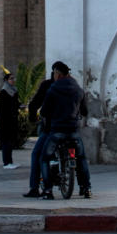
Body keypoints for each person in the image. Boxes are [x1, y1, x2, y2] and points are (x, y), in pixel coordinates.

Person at [39, 61, 91, 200]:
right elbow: (85, 111)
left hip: (57, 131)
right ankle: (86, 189)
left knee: (44, 158)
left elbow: (44, 111)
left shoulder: (53, 89)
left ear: (58, 74)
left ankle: (48, 191)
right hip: (73, 130)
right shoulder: (78, 89)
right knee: (81, 158)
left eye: (54, 73)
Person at [23, 65, 58, 198]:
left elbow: (35, 104)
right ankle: (85, 188)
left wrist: (33, 118)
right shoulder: (73, 86)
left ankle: (34, 188)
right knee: (80, 156)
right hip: (71, 128)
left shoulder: (49, 86)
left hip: (50, 128)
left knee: (37, 155)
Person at [0, 72, 22, 168]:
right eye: (11, 78)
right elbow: (1, 108)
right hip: (5, 121)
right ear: (6, 80)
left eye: (13, 78)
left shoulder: (14, 91)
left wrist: (20, 106)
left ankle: (10, 161)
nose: (13, 80)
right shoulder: (4, 92)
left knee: (10, 142)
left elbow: (15, 104)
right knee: (6, 142)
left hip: (12, 121)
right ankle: (6, 163)